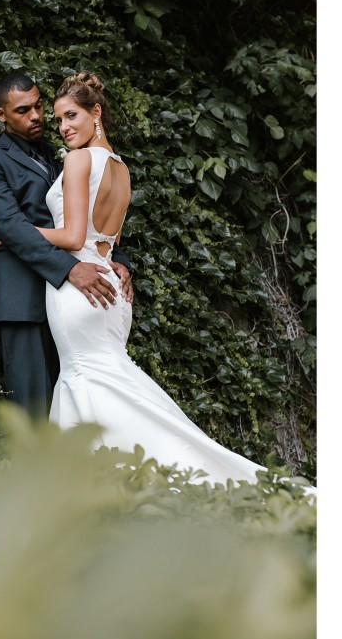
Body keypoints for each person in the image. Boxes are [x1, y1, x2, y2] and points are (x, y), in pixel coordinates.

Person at [39, 71, 292, 487]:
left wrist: (19, 232)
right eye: (59, 121)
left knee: (85, 381)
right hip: (113, 288)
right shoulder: (120, 169)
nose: (64, 128)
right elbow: (109, 239)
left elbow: (72, 237)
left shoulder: (79, 159)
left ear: (95, 112)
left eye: (71, 116)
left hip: (80, 290)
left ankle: (92, 485)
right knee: (113, 384)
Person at [0, 72, 133, 418]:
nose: (37, 117)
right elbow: (10, 226)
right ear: (2, 115)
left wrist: (117, 260)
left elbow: (87, 216)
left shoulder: (64, 153)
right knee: (35, 413)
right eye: (24, 110)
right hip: (24, 300)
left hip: (76, 298)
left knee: (79, 406)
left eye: (40, 106)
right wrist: (70, 268)